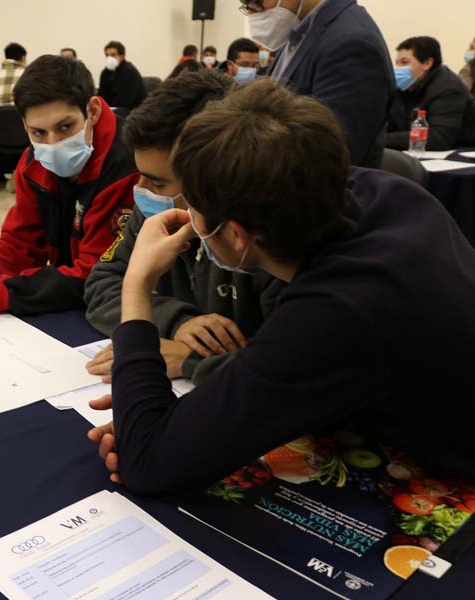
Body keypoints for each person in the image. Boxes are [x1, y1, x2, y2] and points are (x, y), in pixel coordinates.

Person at [87, 79, 475, 494]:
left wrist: (137, 286)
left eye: (193, 210)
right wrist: (176, 420)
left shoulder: (334, 311)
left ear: (236, 235)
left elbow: (146, 463)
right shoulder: (385, 191)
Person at [85, 71, 284, 385]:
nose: (142, 190)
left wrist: (190, 360)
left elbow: (295, 367)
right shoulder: (155, 210)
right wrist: (176, 322)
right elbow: (102, 286)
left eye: (158, 181)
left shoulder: (267, 241)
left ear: (212, 176)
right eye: (141, 175)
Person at [0, 56, 139, 318]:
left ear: (92, 111)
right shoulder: (34, 162)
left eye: (65, 127)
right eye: (38, 133)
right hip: (66, 296)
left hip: (117, 304)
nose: (53, 143)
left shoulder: (126, 164)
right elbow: (20, 244)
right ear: (24, 125)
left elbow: (95, 273)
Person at [241, 0, 393, 169]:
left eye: (256, 2)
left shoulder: (350, 42)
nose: (252, 12)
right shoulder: (299, 33)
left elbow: (329, 154)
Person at [387, 36, 475, 151]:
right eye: (397, 63)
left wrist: (383, 140)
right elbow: (388, 125)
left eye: (404, 62)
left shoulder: (448, 88)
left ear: (427, 63)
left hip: (460, 155)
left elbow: (439, 138)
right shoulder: (403, 86)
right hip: (415, 152)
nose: (398, 69)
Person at [99, 41, 147, 112]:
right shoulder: (105, 72)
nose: (109, 58)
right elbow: (102, 95)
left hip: (135, 110)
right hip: (115, 109)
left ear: (122, 56)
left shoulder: (129, 71)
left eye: (113, 55)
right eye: (107, 55)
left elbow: (126, 101)